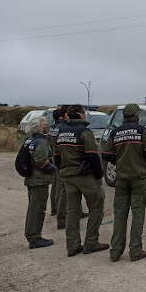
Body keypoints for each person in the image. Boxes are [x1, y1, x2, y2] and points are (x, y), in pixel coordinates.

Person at [102, 103, 146, 262]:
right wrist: (142, 162)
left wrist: (119, 161)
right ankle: (135, 251)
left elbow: (106, 153)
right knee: (138, 214)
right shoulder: (141, 130)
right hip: (138, 177)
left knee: (120, 214)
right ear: (137, 115)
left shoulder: (115, 132)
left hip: (122, 179)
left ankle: (115, 251)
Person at [55, 104, 108, 257]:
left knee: (72, 211)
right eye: (85, 113)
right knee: (97, 206)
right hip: (83, 175)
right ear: (81, 115)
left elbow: (56, 157)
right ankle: (91, 242)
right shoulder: (85, 132)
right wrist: (99, 174)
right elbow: (92, 155)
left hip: (67, 175)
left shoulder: (61, 132)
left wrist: (62, 170)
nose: (86, 115)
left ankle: (72, 245)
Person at [23, 116, 56, 249]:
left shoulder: (29, 140)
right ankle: (34, 238)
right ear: (38, 126)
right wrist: (54, 169)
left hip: (32, 178)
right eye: (44, 125)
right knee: (37, 209)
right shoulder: (40, 142)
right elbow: (41, 161)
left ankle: (32, 235)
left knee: (33, 208)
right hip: (39, 180)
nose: (46, 127)